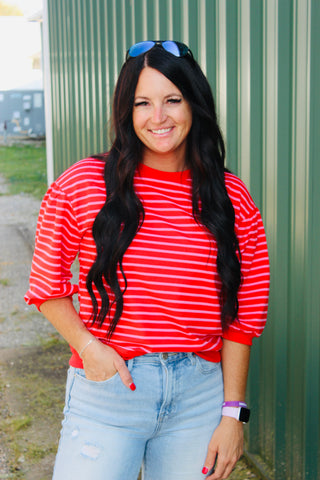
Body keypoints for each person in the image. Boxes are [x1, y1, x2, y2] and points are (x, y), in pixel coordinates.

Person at [25, 40, 269, 480]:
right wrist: (89, 349)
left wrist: (233, 413)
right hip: (109, 389)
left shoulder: (232, 198)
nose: (158, 117)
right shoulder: (82, 185)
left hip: (199, 398)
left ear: (194, 104)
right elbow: (47, 286)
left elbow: (245, 315)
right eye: (143, 103)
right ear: (126, 111)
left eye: (172, 100)